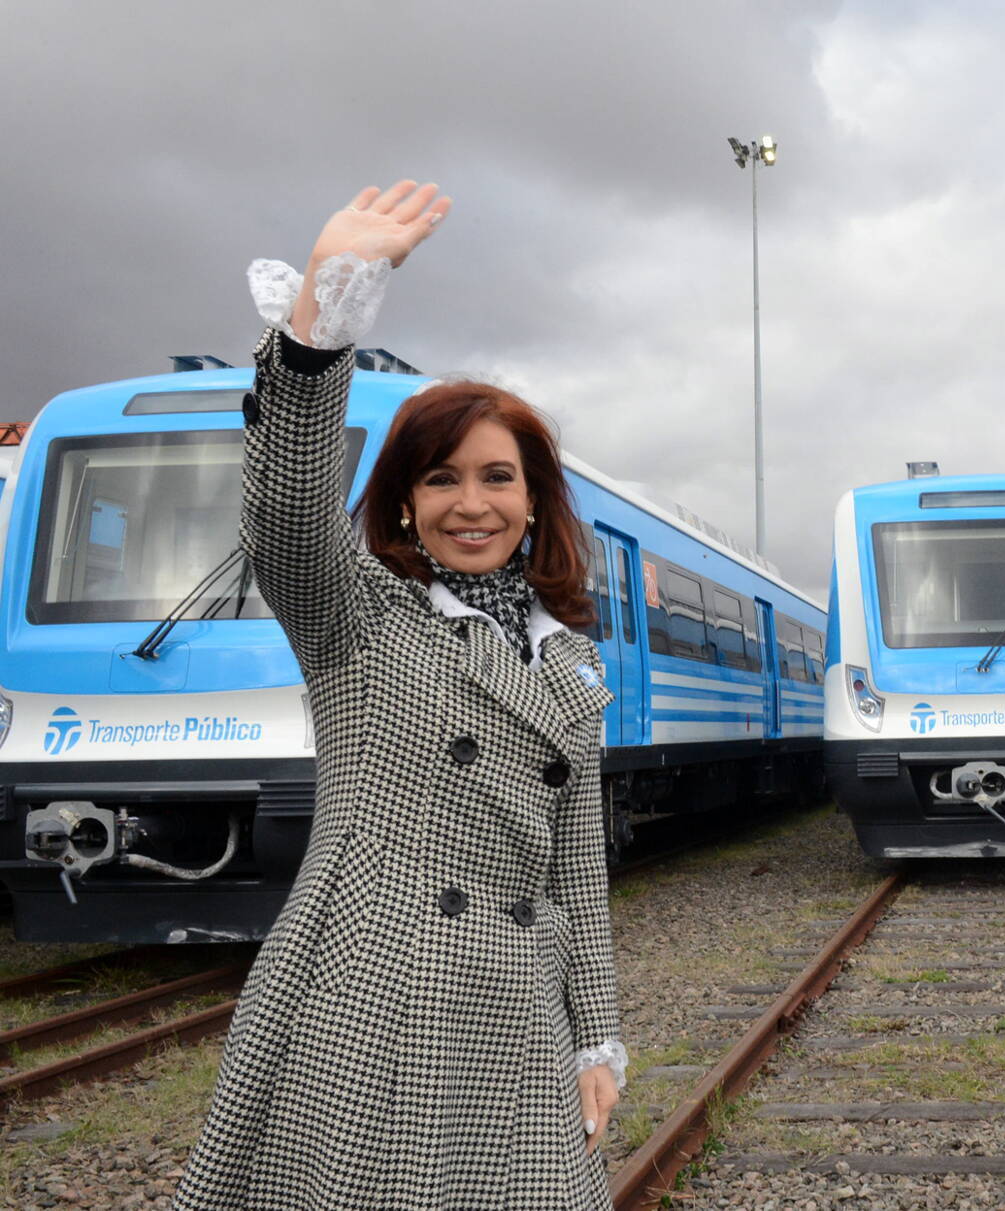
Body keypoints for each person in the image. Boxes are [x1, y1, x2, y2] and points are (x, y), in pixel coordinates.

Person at [174, 181, 625, 1210]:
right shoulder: (358, 612)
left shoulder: (569, 663)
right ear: (404, 503)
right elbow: (287, 511)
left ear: (533, 499)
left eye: (498, 477)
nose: (472, 503)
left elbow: (576, 873)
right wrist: (319, 330)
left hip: (515, 1012)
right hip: (369, 993)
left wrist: (595, 1031)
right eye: (440, 479)